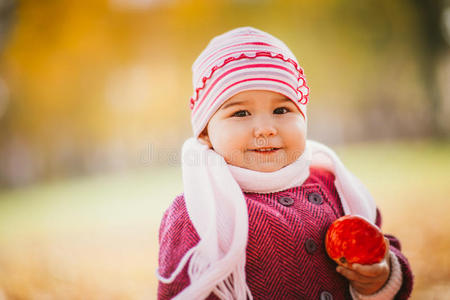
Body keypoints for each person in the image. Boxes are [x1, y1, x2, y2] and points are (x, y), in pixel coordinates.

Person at [156, 27, 413, 300]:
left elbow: (382, 244)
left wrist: (380, 278)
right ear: (206, 133)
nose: (265, 128)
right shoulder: (200, 210)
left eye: (282, 110)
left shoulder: (332, 184)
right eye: (241, 113)